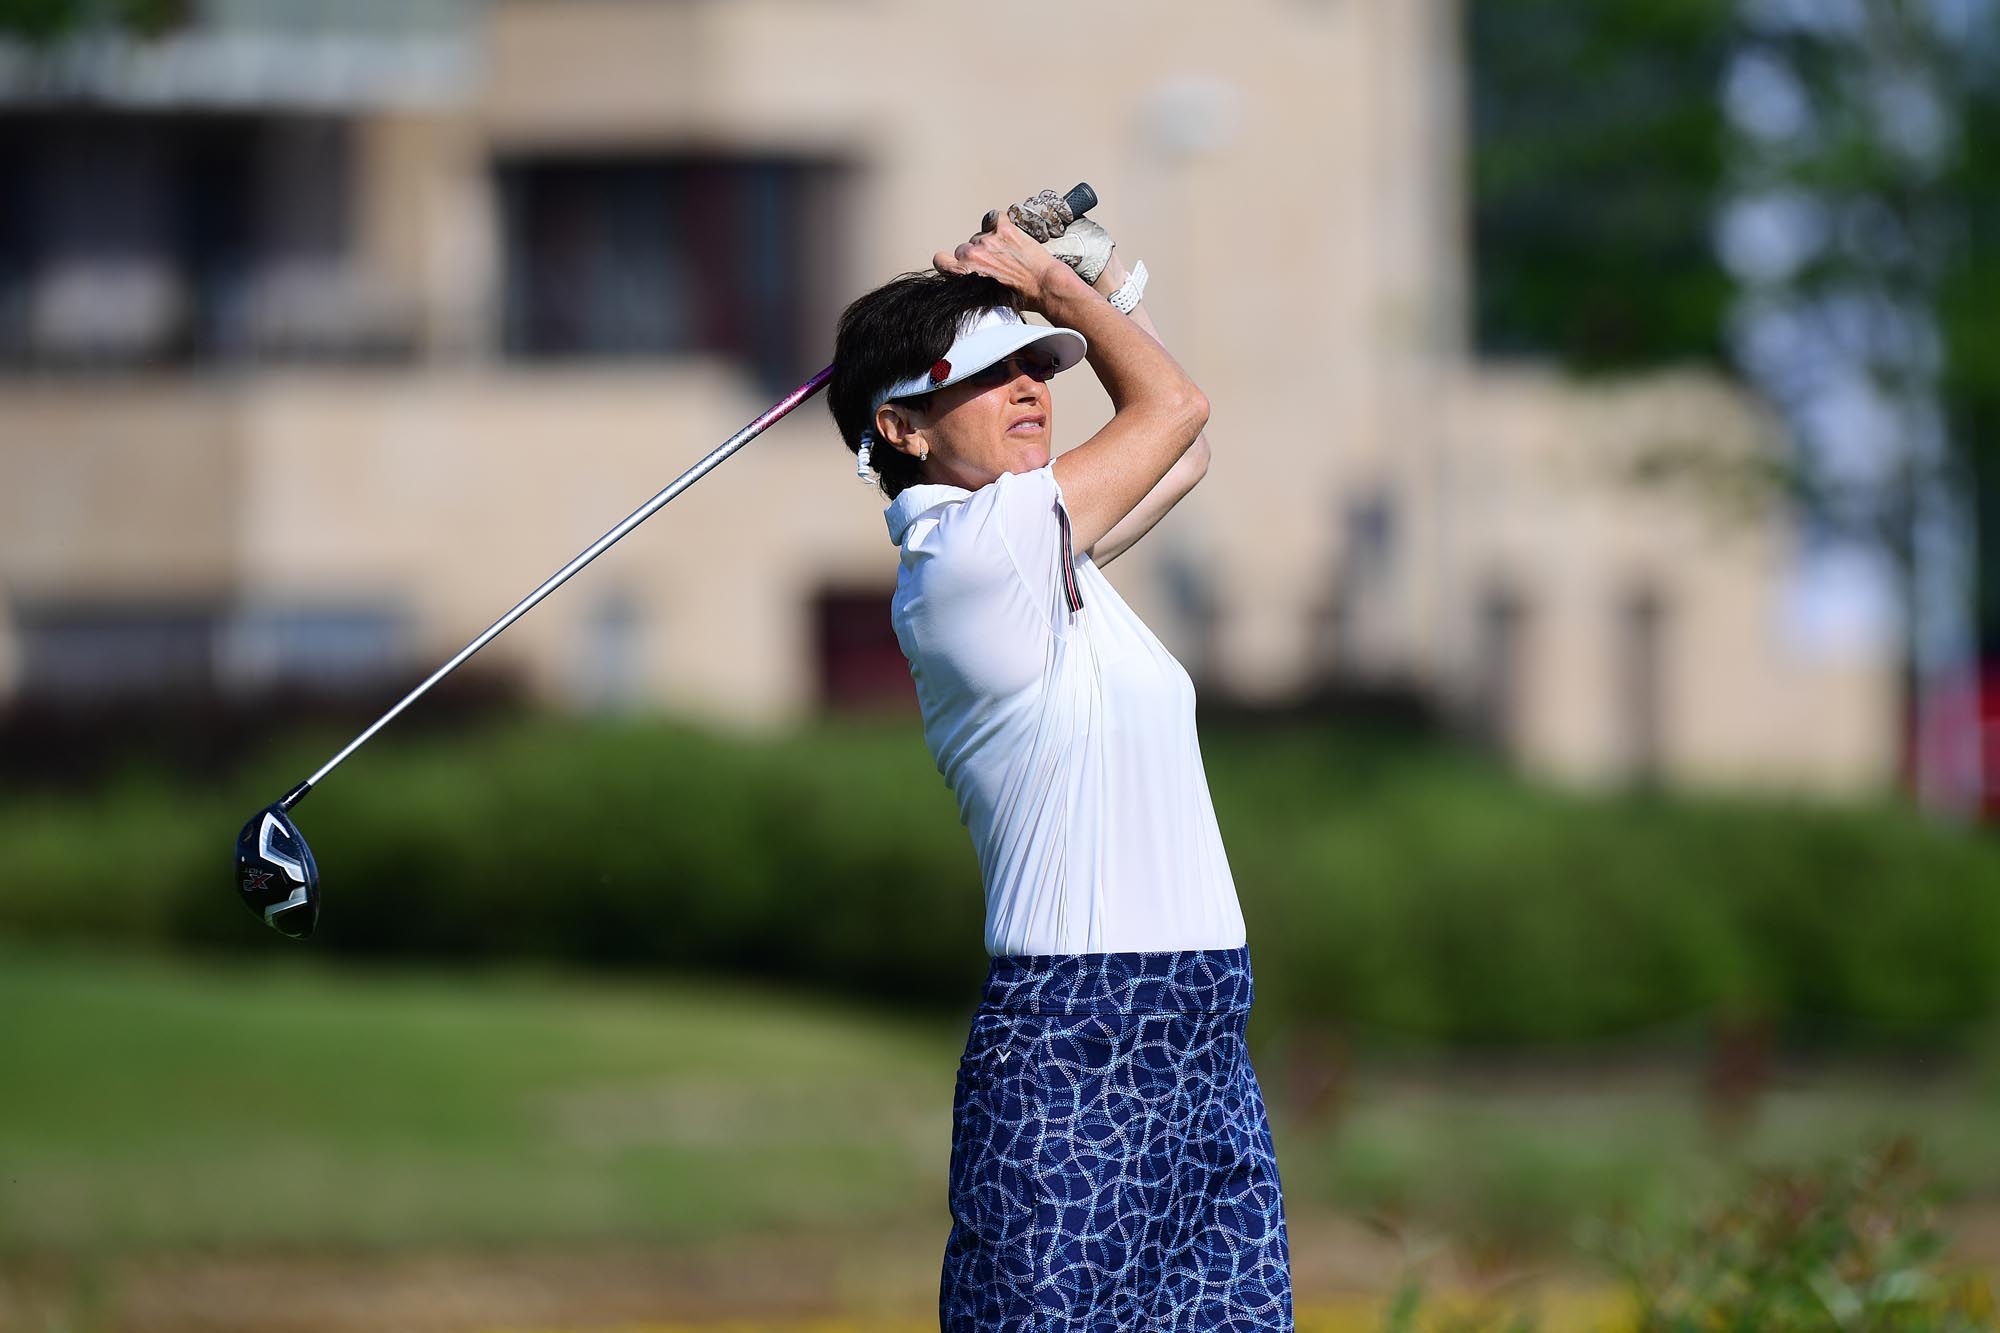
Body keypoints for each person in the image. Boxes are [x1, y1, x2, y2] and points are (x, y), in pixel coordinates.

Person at [827, 190, 1292, 1330]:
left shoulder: (1034, 552)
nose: (1033, 386)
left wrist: (1081, 286)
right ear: (902, 427)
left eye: (1041, 363)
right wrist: (1057, 289)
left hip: (1196, 1023)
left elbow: (1179, 450)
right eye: (991, 377)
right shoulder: (971, 559)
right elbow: (1171, 405)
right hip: (1076, 1037)